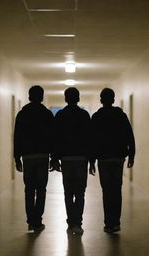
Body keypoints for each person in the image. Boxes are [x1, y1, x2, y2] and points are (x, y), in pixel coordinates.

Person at [89, 88, 135, 233]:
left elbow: (92, 140)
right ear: (113, 100)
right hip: (118, 158)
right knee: (117, 190)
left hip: (103, 159)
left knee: (107, 190)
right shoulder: (121, 116)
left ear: (101, 100)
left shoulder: (96, 117)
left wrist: (91, 161)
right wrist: (131, 155)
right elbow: (129, 135)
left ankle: (109, 223)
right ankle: (116, 222)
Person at [14, 85, 54, 232]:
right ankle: (38, 221)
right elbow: (52, 137)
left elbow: (17, 137)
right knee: (41, 189)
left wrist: (17, 158)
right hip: (43, 156)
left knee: (29, 189)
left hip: (28, 157)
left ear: (29, 96)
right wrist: (54, 157)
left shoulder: (22, 114)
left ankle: (31, 221)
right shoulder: (47, 115)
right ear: (42, 97)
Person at [52, 87, 91, 235]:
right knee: (80, 192)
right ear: (78, 98)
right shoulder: (84, 115)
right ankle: (78, 224)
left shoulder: (60, 116)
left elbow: (55, 139)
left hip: (66, 159)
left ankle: (70, 222)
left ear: (65, 99)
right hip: (81, 159)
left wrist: (54, 159)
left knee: (68, 192)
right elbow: (90, 138)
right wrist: (92, 160)